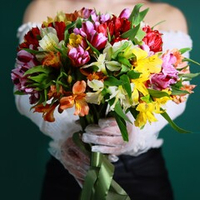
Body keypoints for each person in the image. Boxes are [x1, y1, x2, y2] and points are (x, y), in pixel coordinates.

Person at [14, 0, 192, 199]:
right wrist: (72, 136)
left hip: (141, 172)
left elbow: (176, 95)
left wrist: (131, 134)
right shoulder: (45, 7)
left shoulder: (169, 15)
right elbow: (26, 91)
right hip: (69, 167)